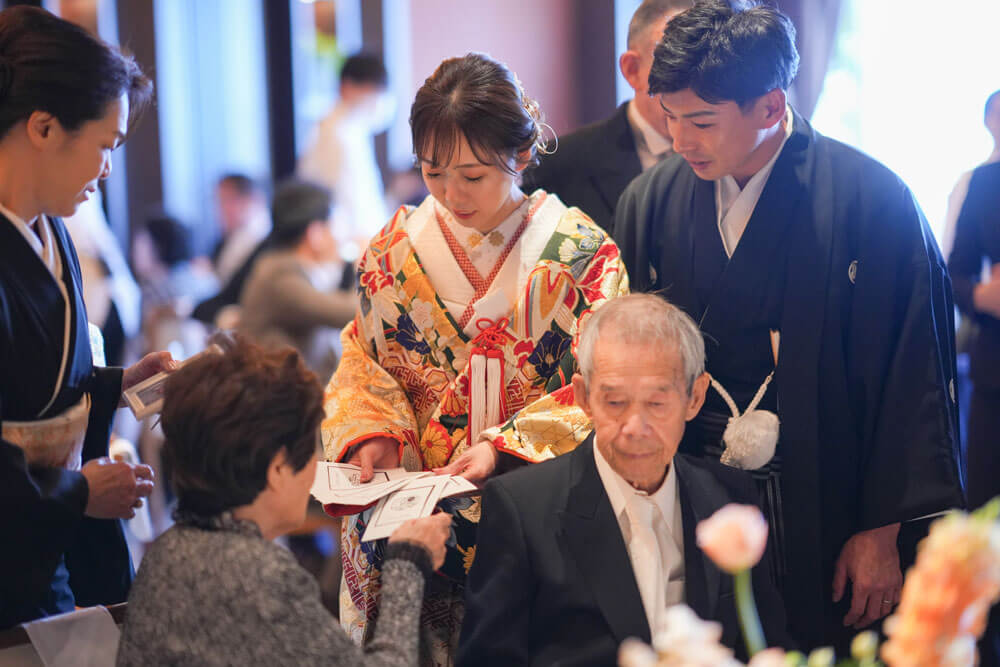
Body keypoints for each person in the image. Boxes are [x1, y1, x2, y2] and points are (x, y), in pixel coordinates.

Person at [608, 0, 964, 651]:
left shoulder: (872, 201)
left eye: (703, 122)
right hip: (690, 489)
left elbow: (912, 375)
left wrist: (882, 529)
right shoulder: (651, 200)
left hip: (828, 498)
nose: (681, 140)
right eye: (671, 118)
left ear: (770, 108)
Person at [321, 53, 629, 663]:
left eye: (471, 175)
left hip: (529, 499)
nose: (450, 195)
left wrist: (502, 446)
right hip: (411, 505)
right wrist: (371, 434)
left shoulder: (579, 252)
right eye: (433, 173)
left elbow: (606, 381)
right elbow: (362, 358)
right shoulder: (392, 249)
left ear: (518, 156)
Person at [458, 294, 789, 666]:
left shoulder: (729, 498)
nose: (635, 428)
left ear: (694, 398)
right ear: (583, 397)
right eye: (615, 402)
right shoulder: (522, 509)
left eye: (657, 403)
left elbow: (766, 648)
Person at [116, 336, 451, 667]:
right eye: (310, 453)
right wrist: (407, 563)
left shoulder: (164, 553)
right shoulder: (260, 578)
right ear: (277, 468)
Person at [0, 5, 171, 628]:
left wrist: (115, 387)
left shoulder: (51, 224)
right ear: (43, 127)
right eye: (105, 145)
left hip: (46, 554)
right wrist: (76, 494)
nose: (107, 169)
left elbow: (34, 388)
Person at [522, 0, 692, 233]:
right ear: (633, 69)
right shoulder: (554, 167)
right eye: (678, 65)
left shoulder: (737, 156)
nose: (696, 83)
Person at [947, 131, 1000, 667]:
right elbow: (955, 272)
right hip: (995, 380)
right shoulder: (986, 184)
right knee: (987, 525)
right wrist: (982, 295)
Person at [239, 179, 356, 380]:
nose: (338, 237)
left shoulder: (282, 266)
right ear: (314, 232)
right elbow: (351, 312)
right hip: (277, 397)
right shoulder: (280, 274)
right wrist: (367, 266)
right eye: (332, 226)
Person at [298, 54, 393, 259]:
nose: (378, 103)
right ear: (348, 87)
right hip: (350, 247)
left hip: (360, 242)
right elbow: (345, 203)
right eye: (374, 93)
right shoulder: (336, 135)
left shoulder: (352, 130)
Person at [212, 173, 270, 285]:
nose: (220, 210)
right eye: (218, 202)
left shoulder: (255, 237)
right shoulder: (235, 235)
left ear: (250, 200)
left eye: (225, 200)